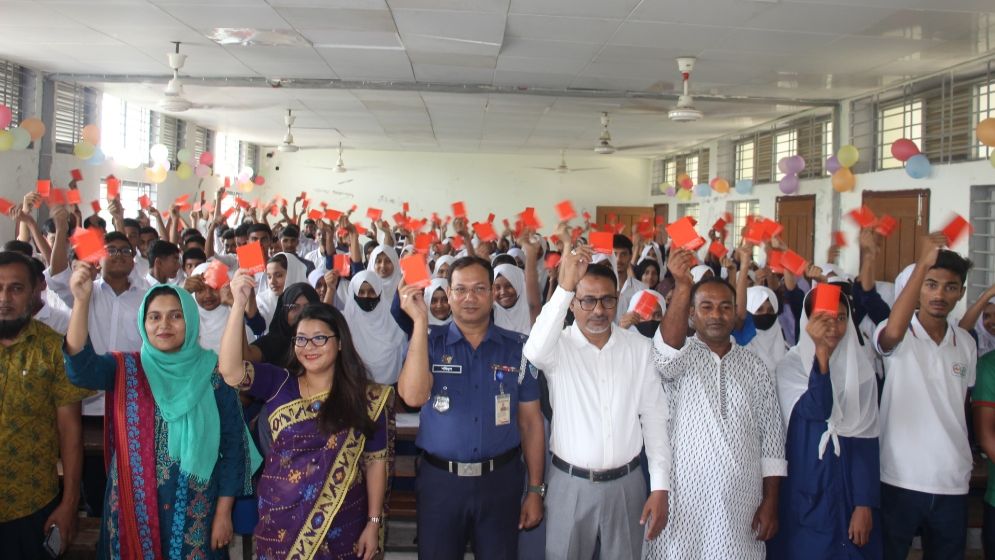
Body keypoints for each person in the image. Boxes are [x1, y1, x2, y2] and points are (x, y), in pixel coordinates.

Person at [63, 267, 260, 557]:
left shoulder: (214, 375)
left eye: (176, 316)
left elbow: (233, 447)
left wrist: (223, 513)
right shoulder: (125, 369)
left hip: (198, 514)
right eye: (154, 317)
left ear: (190, 320)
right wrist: (81, 302)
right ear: (143, 323)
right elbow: (80, 370)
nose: (164, 325)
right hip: (133, 511)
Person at [219, 273, 394, 560]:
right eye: (301, 339)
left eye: (319, 338)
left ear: (340, 342)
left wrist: (373, 523)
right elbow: (230, 372)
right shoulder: (279, 382)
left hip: (342, 524)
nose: (309, 347)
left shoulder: (367, 398)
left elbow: (376, 463)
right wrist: (238, 305)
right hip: (279, 525)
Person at [523, 245, 671, 559]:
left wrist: (660, 486)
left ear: (618, 299)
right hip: (569, 484)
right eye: (587, 300)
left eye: (607, 300)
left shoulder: (638, 348)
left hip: (627, 485)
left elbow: (655, 418)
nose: (599, 310)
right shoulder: (557, 347)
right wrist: (564, 286)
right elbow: (533, 352)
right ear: (572, 303)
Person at [397, 256, 545, 559]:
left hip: (500, 482)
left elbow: (531, 424)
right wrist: (420, 321)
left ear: (492, 294)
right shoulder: (429, 343)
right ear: (449, 294)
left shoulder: (519, 349)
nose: (469, 297)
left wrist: (534, 489)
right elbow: (412, 397)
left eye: (479, 289)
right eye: (461, 289)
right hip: (441, 484)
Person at [647, 248, 786, 560]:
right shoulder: (680, 358)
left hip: (742, 506)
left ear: (736, 314)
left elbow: (772, 441)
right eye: (706, 307)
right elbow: (665, 356)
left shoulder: (755, 366)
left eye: (725, 308)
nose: (716, 315)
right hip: (683, 504)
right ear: (691, 314)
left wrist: (771, 501)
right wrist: (683, 285)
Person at [873, 236, 976, 560]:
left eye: (950, 287)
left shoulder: (966, 343)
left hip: (952, 480)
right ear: (917, 288)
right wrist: (923, 261)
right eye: (931, 284)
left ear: (961, 292)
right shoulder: (897, 332)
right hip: (899, 477)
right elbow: (892, 334)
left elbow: (960, 403)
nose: (939, 295)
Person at [769, 289, 881, 559]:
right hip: (807, 486)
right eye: (823, 318)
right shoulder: (791, 367)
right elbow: (818, 408)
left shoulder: (862, 372)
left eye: (840, 318)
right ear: (807, 321)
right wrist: (821, 355)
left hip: (849, 489)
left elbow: (867, 443)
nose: (833, 327)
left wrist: (864, 503)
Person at [0, 251, 92, 559]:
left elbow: (70, 432)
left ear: (35, 292)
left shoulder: (53, 349)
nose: (4, 298)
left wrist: (69, 504)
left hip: (31, 504)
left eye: (16, 288)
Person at [344, 271, 408, 384]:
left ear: (380, 293)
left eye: (372, 292)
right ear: (353, 294)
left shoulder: (394, 323)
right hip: (353, 388)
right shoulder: (344, 324)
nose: (366, 296)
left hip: (391, 389)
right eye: (361, 292)